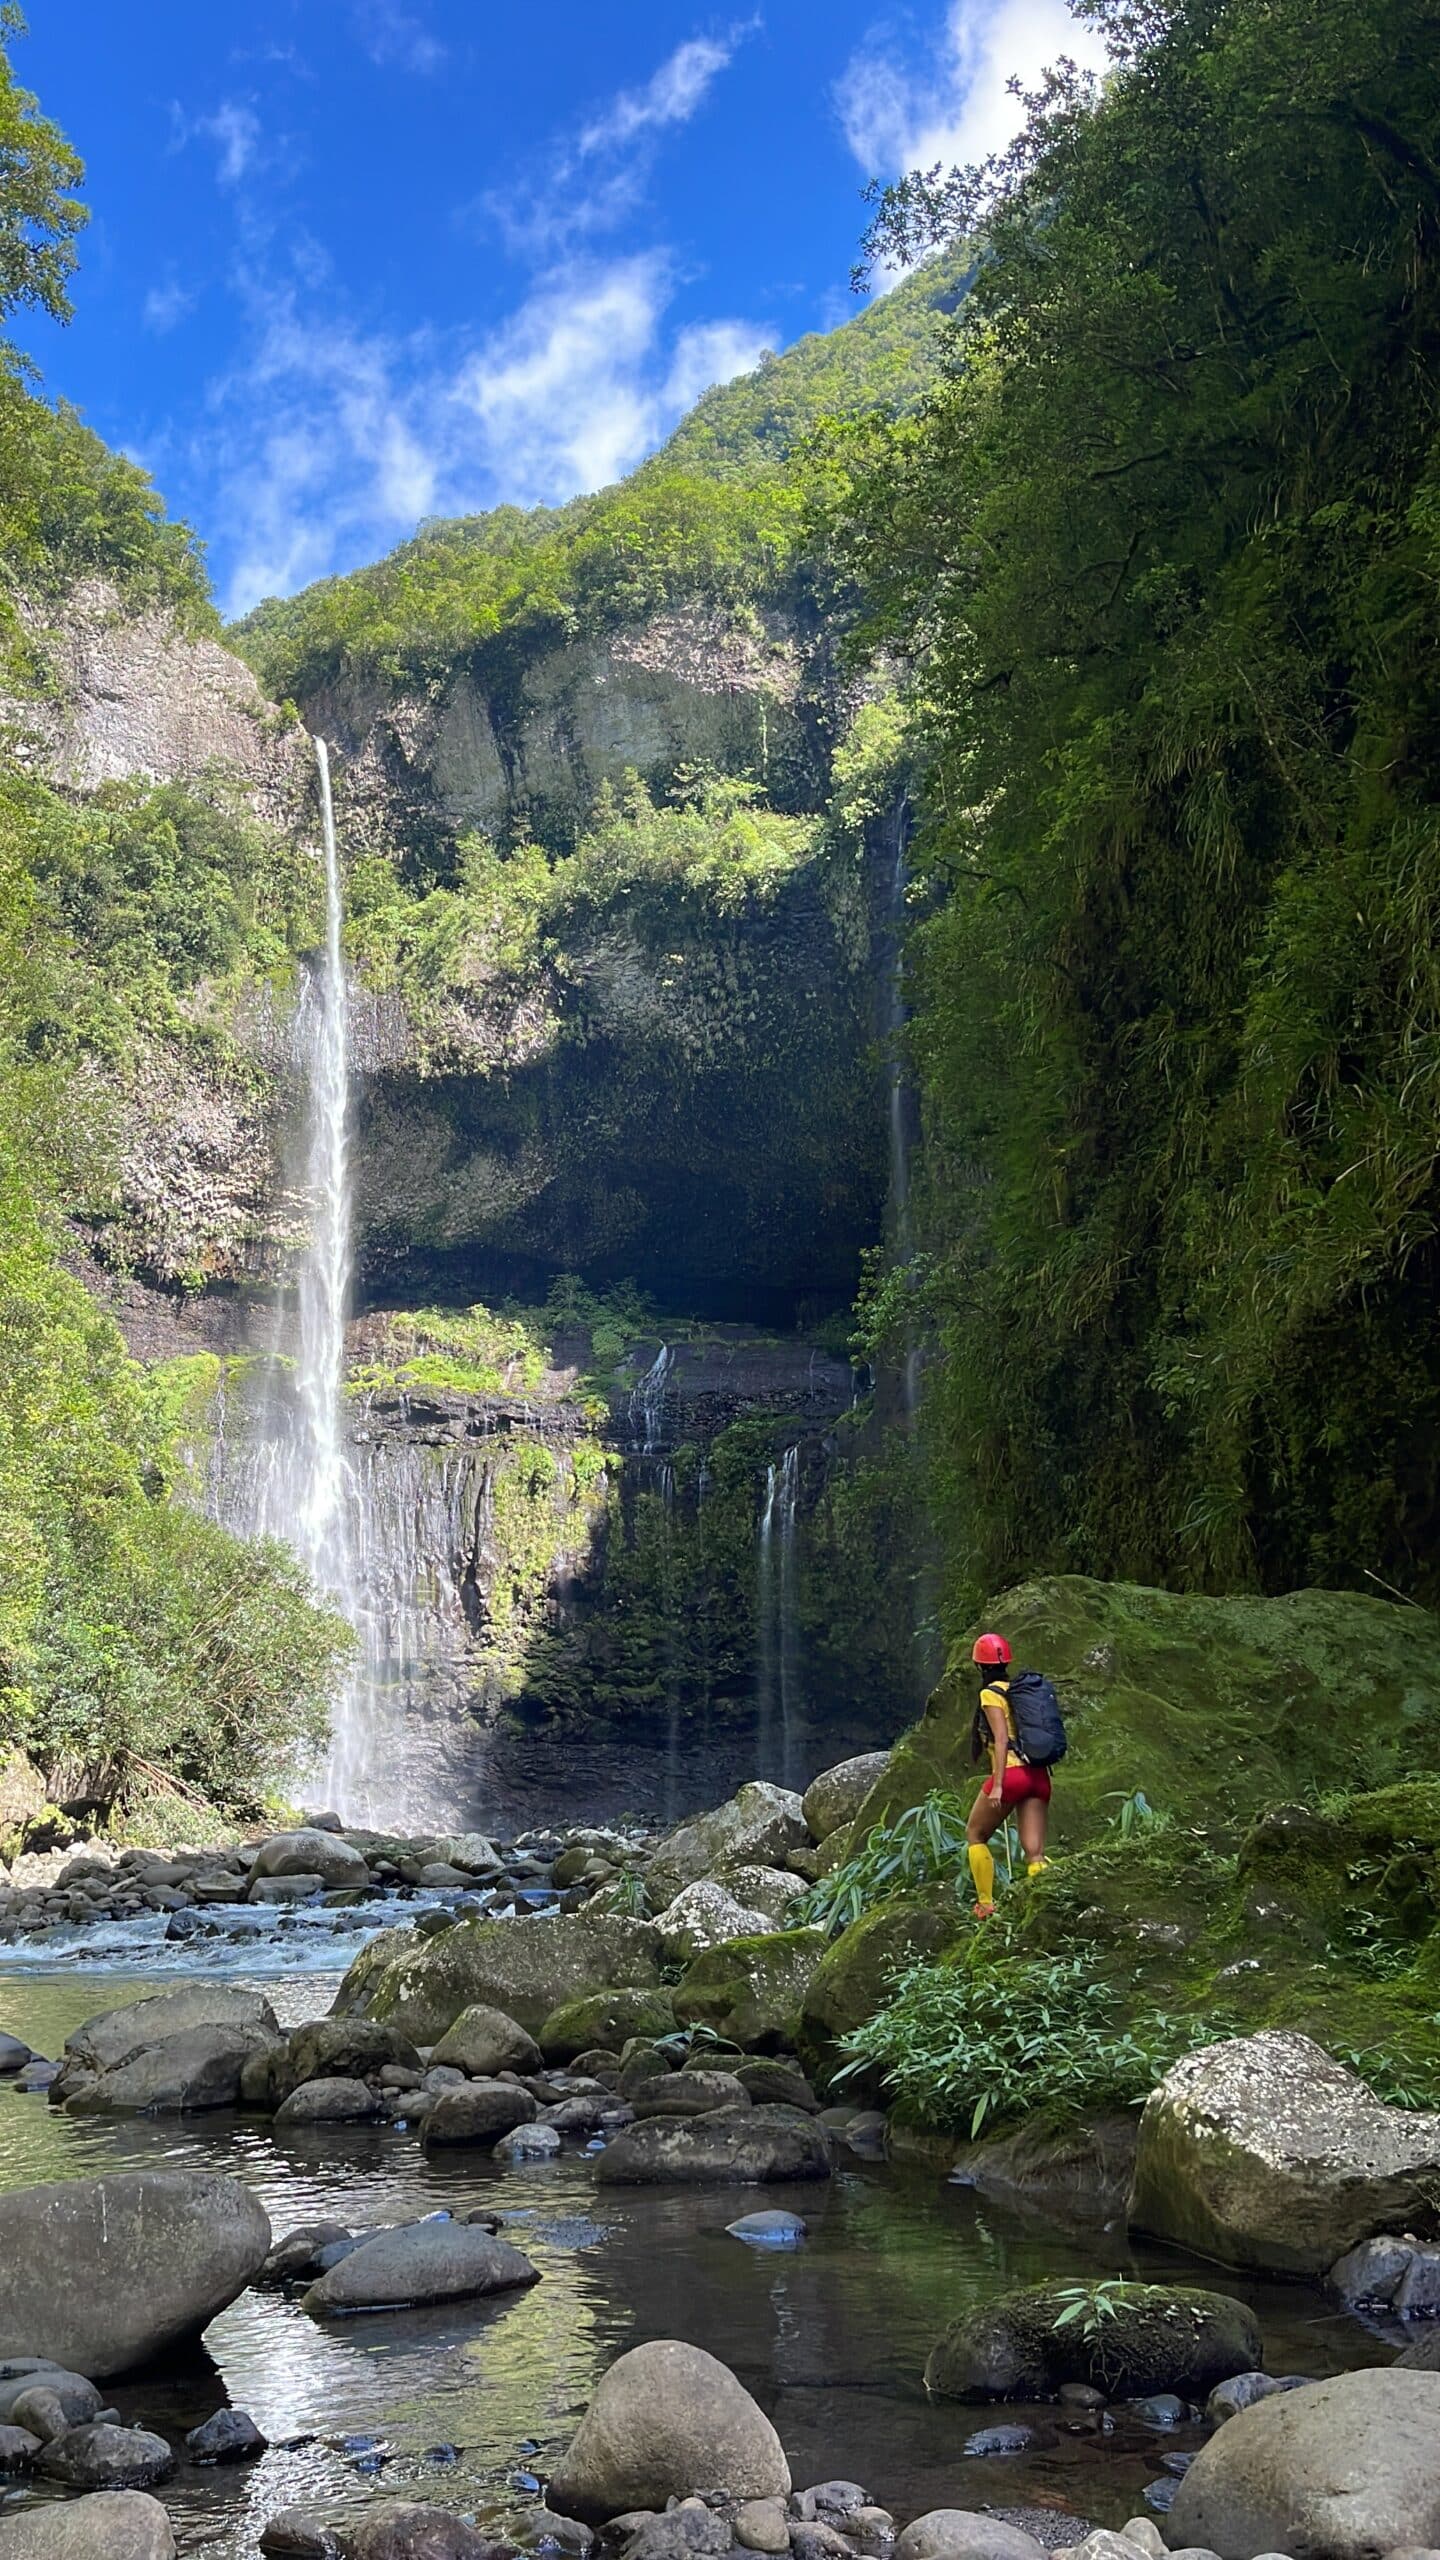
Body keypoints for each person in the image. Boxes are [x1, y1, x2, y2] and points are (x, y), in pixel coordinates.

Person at [965, 1631, 1051, 1918]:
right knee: (1035, 1854)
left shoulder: (990, 1693)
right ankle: (1043, 1909)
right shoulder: (1020, 1691)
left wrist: (999, 1785)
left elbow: (1001, 1739)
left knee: (975, 1834)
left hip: (1012, 1776)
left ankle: (986, 1905)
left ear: (980, 1666)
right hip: (1038, 1776)